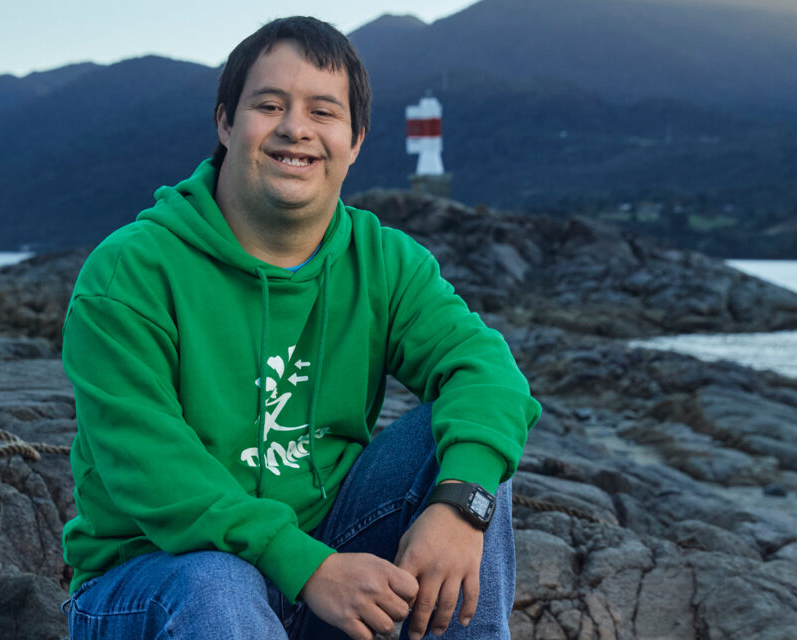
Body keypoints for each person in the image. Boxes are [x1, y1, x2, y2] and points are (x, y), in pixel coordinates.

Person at [60, 15, 541, 640]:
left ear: (355, 139)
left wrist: (461, 506)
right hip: (155, 576)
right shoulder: (130, 272)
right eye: (269, 105)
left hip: (325, 564)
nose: (296, 128)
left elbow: (488, 372)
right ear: (226, 123)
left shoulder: (383, 261)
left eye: (323, 111)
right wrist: (307, 567)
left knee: (464, 445)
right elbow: (153, 470)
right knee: (218, 582)